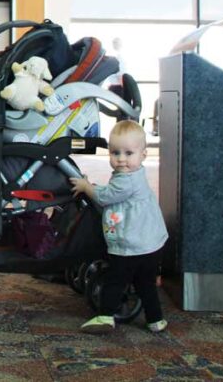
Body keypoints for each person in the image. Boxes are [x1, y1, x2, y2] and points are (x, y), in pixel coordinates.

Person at [70, 120, 168, 333]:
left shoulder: (127, 181)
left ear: (143, 155)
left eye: (128, 153)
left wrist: (87, 187)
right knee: (146, 285)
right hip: (150, 243)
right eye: (115, 153)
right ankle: (156, 320)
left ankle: (105, 316)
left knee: (115, 280)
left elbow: (106, 197)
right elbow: (114, 190)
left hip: (131, 245)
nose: (121, 159)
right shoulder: (134, 174)